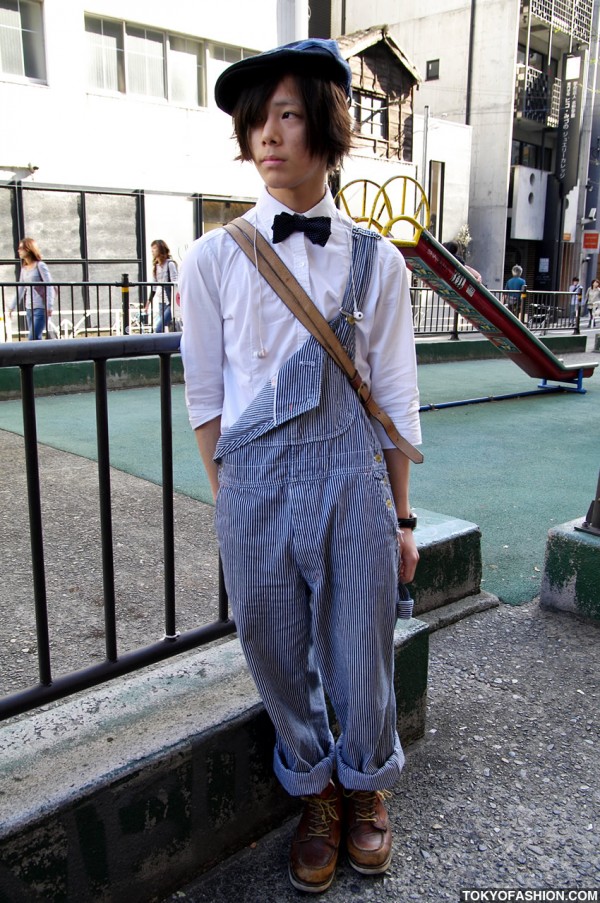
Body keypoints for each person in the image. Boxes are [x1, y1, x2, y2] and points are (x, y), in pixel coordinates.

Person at [179, 38, 421, 894]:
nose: (268, 137)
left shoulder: (378, 260)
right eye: (257, 122)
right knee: (272, 645)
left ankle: (366, 788)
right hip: (252, 487)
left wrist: (401, 518)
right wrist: (231, 500)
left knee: (362, 648)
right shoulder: (212, 258)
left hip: (354, 482)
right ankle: (314, 787)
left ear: (326, 126)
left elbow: (393, 397)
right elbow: (205, 396)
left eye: (286, 115)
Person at [8, 238, 55, 340]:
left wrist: (49, 305)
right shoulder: (24, 269)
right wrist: (12, 307)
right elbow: (20, 289)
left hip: (41, 307)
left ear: (29, 249)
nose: (18, 251)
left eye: (21, 248)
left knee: (32, 337)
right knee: (36, 339)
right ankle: (42, 355)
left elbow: (49, 285)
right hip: (29, 307)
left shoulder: (40, 266)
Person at [146, 240, 178, 332]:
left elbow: (175, 283)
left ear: (161, 249)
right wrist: (148, 301)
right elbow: (154, 287)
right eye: (152, 248)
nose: (152, 251)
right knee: (169, 325)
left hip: (170, 302)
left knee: (159, 327)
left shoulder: (170, 264)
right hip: (161, 301)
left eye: (155, 248)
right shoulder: (156, 267)